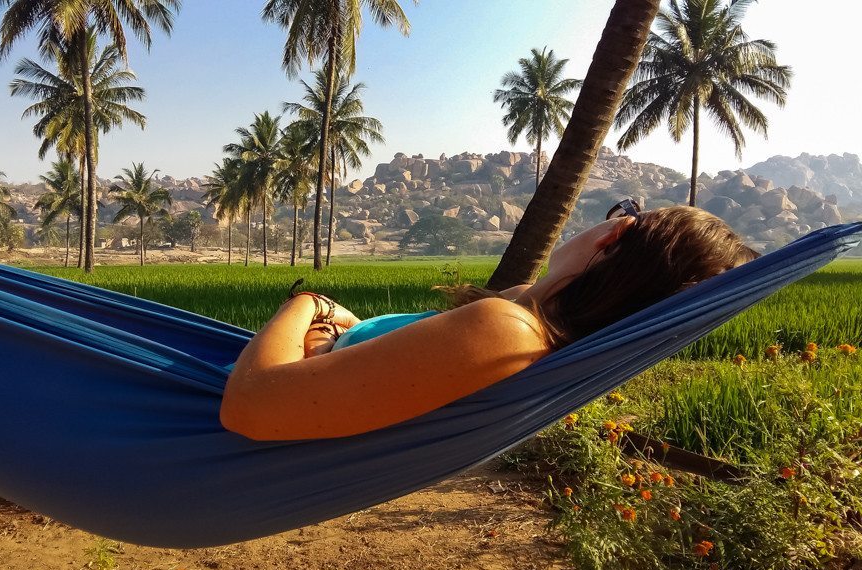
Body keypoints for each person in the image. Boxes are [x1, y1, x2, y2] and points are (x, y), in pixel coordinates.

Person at [221, 202, 758, 441]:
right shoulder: (522, 314)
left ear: (614, 237)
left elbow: (251, 406)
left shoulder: (509, 331)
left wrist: (308, 303)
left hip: (227, 405)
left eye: (625, 210)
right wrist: (344, 327)